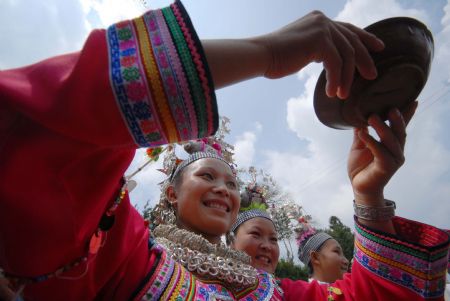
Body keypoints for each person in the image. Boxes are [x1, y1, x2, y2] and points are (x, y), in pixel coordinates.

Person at [0, 0, 448, 300]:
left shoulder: (273, 291)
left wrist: (368, 197)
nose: (224, 190)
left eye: (232, 183)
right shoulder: (126, 257)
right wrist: (266, 53)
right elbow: (46, 139)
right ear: (172, 194)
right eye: (208, 177)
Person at [228, 183, 280, 274]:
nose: (267, 246)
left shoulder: (288, 288)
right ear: (231, 241)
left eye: (273, 239)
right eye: (256, 234)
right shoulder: (204, 284)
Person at [295, 218, 349, 283]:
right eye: (336, 252)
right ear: (315, 257)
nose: (346, 261)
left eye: (343, 254)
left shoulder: (346, 290)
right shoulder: (307, 293)